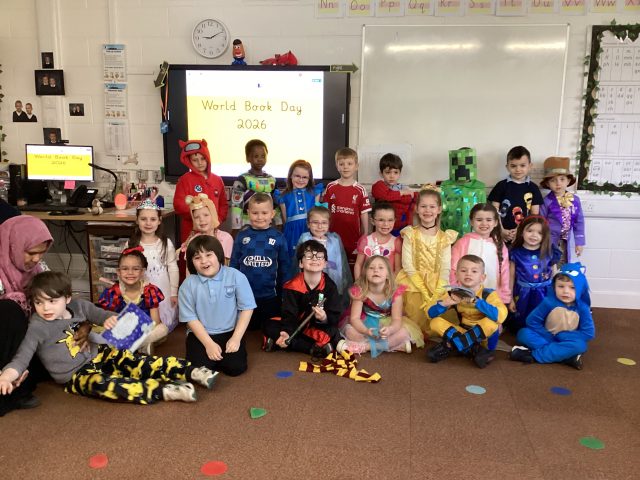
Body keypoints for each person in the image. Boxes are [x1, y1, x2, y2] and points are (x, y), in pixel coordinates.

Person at [0, 271, 218, 405]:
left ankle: (192, 372)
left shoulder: (79, 306)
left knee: (138, 362)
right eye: (39, 302)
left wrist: (111, 320)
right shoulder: (37, 327)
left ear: (67, 298)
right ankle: (167, 391)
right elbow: (22, 357)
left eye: (52, 301)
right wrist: (6, 377)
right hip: (75, 375)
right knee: (111, 386)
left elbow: (103, 314)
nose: (45, 308)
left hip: (100, 354)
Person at [0, 216, 54, 416]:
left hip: (24, 341)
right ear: (14, 246)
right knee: (10, 309)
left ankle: (20, 379)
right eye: (31, 253)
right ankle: (11, 390)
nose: (37, 259)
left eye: (42, 253)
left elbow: (57, 294)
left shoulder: (38, 269)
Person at [179, 235, 256, 377]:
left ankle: (221, 357)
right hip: (201, 334)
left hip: (230, 332)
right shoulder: (188, 285)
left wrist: (236, 338)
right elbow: (190, 318)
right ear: (191, 262)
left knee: (236, 368)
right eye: (197, 258)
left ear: (219, 255)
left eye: (209, 255)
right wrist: (208, 344)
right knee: (198, 370)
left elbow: (247, 308)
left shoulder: (236, 276)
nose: (204, 261)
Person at [262, 240, 343, 357]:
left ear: (325, 263)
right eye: (309, 256)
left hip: (315, 326)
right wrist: (287, 332)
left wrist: (324, 317)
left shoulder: (330, 286)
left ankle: (279, 342)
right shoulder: (292, 286)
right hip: (294, 324)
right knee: (269, 325)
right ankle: (312, 348)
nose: (314, 259)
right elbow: (289, 314)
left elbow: (335, 313)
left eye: (319, 256)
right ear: (301, 263)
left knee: (332, 331)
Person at [426, 255, 508, 368]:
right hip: (463, 331)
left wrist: (477, 302)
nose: (468, 274)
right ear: (456, 275)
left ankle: (453, 345)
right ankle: (474, 349)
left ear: (482, 277)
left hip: (484, 336)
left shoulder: (488, 294)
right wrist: (444, 304)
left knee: (492, 323)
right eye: (463, 270)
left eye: (474, 271)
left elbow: (501, 316)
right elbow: (430, 314)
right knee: (435, 322)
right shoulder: (454, 293)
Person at [395, 186, 458, 334]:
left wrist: (436, 293)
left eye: (432, 206)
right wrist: (423, 290)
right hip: (413, 283)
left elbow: (445, 268)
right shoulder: (410, 234)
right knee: (414, 319)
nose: (427, 210)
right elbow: (407, 265)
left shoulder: (445, 238)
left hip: (437, 284)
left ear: (439, 209)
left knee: (439, 320)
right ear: (417, 209)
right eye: (423, 206)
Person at [510, 262, 594, 370]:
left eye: (572, 287)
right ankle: (566, 357)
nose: (566, 291)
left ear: (581, 289)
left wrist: (564, 336)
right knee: (523, 333)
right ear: (554, 287)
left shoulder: (583, 308)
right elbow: (532, 321)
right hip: (546, 336)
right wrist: (547, 335)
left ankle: (533, 355)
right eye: (561, 286)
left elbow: (588, 333)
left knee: (580, 345)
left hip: (567, 340)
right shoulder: (548, 302)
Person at [340, 256, 423, 356]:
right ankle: (394, 346)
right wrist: (365, 330)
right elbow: (355, 318)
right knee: (349, 331)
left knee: (404, 333)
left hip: (388, 322)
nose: (376, 270)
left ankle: (366, 347)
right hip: (365, 322)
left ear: (388, 274)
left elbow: (396, 319)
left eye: (381, 268)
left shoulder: (395, 292)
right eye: (371, 268)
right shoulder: (360, 291)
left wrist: (390, 330)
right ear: (365, 273)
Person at [230, 192, 290, 331]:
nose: (259, 217)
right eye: (255, 213)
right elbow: (234, 265)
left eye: (264, 213)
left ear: (272, 214)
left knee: (270, 329)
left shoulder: (278, 237)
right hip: (245, 297)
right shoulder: (242, 236)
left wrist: (284, 293)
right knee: (247, 330)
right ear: (248, 213)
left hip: (271, 296)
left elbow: (285, 267)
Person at [98, 247, 168, 354]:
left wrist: (142, 331)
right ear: (118, 272)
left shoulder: (150, 290)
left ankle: (133, 345)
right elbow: (109, 319)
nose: (130, 272)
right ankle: (139, 346)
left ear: (142, 272)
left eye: (135, 269)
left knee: (163, 329)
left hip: (145, 330)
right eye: (125, 269)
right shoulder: (113, 292)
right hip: (122, 331)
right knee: (100, 332)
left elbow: (155, 322)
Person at [126, 199, 179, 332]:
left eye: (153, 219)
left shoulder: (165, 243)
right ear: (137, 220)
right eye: (143, 219)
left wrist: (174, 292)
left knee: (161, 324)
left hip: (163, 289)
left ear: (159, 221)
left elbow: (173, 268)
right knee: (141, 320)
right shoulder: (131, 244)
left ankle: (159, 332)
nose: (148, 223)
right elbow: (125, 269)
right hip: (140, 290)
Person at [507, 215, 561, 333]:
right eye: (530, 231)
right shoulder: (515, 253)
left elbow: (555, 275)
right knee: (523, 322)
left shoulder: (549, 252)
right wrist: (510, 299)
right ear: (522, 232)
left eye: (539, 233)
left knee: (544, 319)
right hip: (523, 293)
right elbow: (510, 277)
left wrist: (557, 294)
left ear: (544, 236)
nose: (534, 235)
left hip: (545, 293)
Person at [450, 203, 511, 305]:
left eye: (489, 220)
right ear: (471, 222)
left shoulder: (499, 245)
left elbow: (505, 272)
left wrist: (504, 297)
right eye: (479, 220)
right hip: (465, 297)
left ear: (496, 222)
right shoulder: (462, 243)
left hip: (492, 298)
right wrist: (455, 290)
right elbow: (453, 268)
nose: (484, 223)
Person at [295, 206, 352, 311]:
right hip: (312, 282)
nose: (320, 226)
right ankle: (317, 317)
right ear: (308, 224)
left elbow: (341, 264)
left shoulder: (334, 240)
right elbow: (298, 262)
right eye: (315, 222)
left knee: (330, 305)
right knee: (317, 305)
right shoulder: (305, 239)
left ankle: (326, 317)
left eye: (324, 223)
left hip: (331, 282)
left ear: (329, 224)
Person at [173, 139, 228, 245]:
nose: (200, 163)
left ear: (207, 158)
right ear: (189, 161)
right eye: (195, 160)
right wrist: (196, 215)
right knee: (192, 253)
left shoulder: (217, 180)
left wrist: (217, 220)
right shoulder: (184, 180)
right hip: (191, 231)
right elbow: (179, 204)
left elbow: (223, 205)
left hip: (213, 231)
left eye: (203, 158)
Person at [322, 147, 371, 264]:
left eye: (349, 163)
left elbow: (364, 214)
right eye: (341, 164)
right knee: (334, 266)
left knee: (353, 265)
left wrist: (365, 234)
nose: (345, 167)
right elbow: (324, 211)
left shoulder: (360, 189)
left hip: (353, 238)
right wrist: (323, 231)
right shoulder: (331, 187)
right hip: (332, 236)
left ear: (356, 166)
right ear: (337, 166)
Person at [488, 146, 543, 243]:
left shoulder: (533, 188)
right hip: (500, 233)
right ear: (507, 167)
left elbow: (534, 214)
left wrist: (520, 230)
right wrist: (501, 230)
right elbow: (493, 210)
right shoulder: (501, 185)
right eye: (513, 166)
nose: (518, 169)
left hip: (524, 235)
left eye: (522, 165)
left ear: (530, 166)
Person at [539, 156, 585, 266]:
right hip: (549, 241)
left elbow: (579, 222)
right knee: (549, 265)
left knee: (563, 264)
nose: (558, 183)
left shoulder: (575, 200)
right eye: (553, 180)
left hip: (565, 241)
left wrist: (579, 242)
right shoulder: (546, 201)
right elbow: (540, 222)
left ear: (568, 181)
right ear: (547, 184)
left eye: (562, 179)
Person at [230, 139, 280, 234]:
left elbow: (276, 204)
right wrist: (236, 228)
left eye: (263, 156)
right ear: (248, 158)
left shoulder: (271, 180)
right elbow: (236, 206)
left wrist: (279, 222)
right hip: (247, 225)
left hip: (267, 225)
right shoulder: (242, 179)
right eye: (256, 156)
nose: (260, 159)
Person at [276, 159, 323, 258]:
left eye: (305, 177)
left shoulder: (314, 192)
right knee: (293, 257)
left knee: (310, 256)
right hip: (292, 232)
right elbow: (285, 219)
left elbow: (317, 214)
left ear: (309, 178)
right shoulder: (284, 196)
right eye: (297, 176)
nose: (301, 180)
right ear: (290, 176)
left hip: (310, 229)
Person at [371, 153, 418, 236]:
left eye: (395, 172)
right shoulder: (379, 186)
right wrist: (401, 193)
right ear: (381, 173)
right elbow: (386, 196)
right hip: (384, 227)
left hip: (402, 227)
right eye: (388, 172)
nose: (392, 176)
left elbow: (412, 203)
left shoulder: (403, 187)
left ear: (400, 173)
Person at [354, 201, 403, 280]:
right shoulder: (365, 241)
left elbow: (398, 269)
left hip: (388, 284)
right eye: (381, 220)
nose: (386, 224)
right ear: (372, 221)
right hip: (367, 283)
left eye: (390, 220)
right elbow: (358, 265)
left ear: (395, 220)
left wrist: (390, 285)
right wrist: (358, 283)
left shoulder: (396, 242)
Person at [181, 193, 233, 264]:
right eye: (196, 217)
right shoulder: (193, 241)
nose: (201, 220)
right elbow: (189, 267)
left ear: (213, 215)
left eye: (206, 215)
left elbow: (226, 265)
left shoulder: (225, 238)